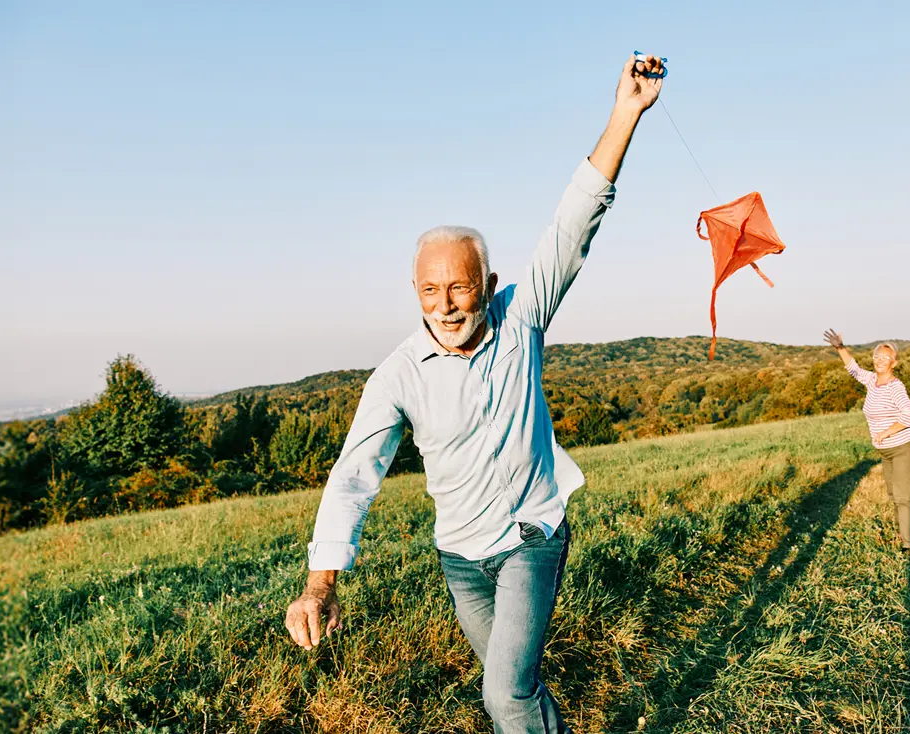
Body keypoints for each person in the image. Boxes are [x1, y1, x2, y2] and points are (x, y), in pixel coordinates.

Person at [282, 53, 667, 732]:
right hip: (461, 559)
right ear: (416, 293)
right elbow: (353, 479)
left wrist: (625, 113)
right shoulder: (398, 375)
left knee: (503, 697)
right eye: (431, 290)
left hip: (531, 535)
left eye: (461, 286)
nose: (447, 304)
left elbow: (575, 222)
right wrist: (322, 583)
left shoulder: (522, 318)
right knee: (515, 687)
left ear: (488, 285)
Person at [823, 329, 910, 553]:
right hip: (885, 451)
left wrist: (887, 432)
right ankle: (906, 532)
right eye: (877, 356)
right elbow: (854, 369)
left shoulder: (895, 387)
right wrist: (840, 347)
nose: (879, 361)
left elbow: (909, 414)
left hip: (902, 447)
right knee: (893, 494)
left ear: (893, 363)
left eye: (885, 358)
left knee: (903, 496)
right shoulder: (872, 381)